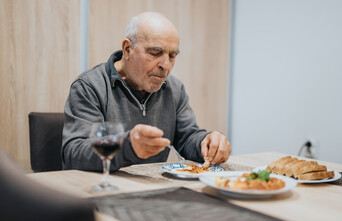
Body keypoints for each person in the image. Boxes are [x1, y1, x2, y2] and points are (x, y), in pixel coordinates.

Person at [62, 12, 231, 171]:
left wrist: (205, 142)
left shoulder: (174, 88)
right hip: (100, 190)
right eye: (155, 53)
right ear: (127, 49)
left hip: (152, 190)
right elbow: (74, 153)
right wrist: (127, 146)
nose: (166, 65)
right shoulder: (90, 86)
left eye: (172, 56)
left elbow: (187, 138)